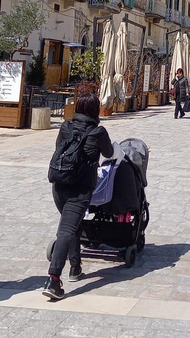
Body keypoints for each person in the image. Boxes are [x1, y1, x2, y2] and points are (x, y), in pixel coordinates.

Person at [43, 93, 117, 301]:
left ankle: (75, 267)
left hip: (59, 184)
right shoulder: (98, 131)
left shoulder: (66, 126)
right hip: (80, 188)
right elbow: (110, 153)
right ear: (95, 110)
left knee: (71, 224)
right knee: (67, 229)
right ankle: (53, 279)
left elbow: (58, 148)